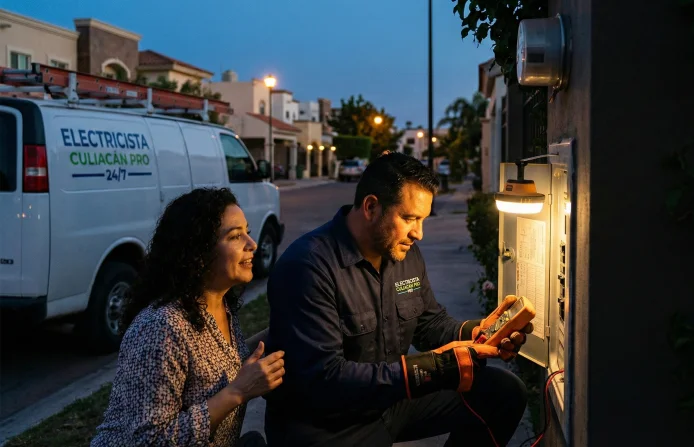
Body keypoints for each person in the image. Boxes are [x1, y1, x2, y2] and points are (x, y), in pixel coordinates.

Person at [264, 152, 531, 447]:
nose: (419, 233)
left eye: (423, 219)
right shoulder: (308, 266)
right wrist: (430, 368)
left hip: (389, 403)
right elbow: (324, 380)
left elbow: (430, 323)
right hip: (328, 425)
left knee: (504, 392)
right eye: (409, 218)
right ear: (371, 207)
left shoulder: (402, 252)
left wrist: (479, 333)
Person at [91, 188, 285, 447]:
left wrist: (285, 333)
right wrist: (238, 391)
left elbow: (218, 363)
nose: (252, 245)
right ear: (198, 251)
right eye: (236, 236)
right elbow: (150, 441)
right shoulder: (161, 327)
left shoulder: (219, 305)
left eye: (247, 232)